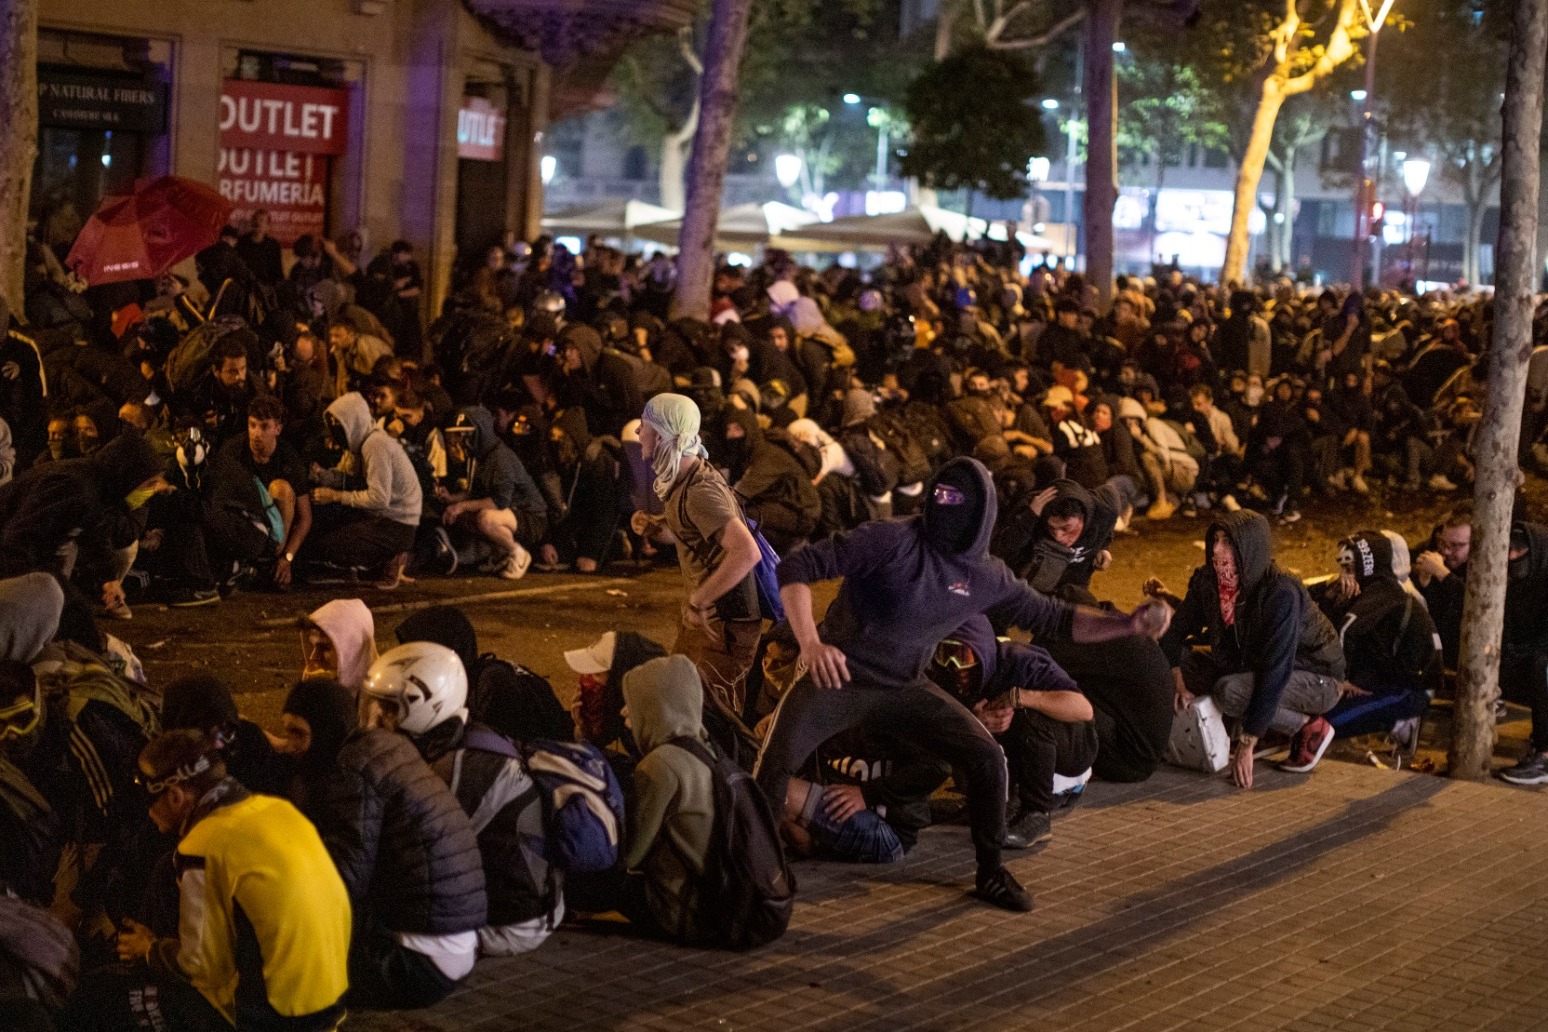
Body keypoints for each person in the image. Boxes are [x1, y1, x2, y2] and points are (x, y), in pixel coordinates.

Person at [756, 456, 1172, 912]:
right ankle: (757, 871)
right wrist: (810, 643)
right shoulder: (890, 539)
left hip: (906, 685)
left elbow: (1056, 617)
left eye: (957, 501)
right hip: (839, 677)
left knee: (987, 756)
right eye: (941, 497)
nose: (946, 508)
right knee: (773, 763)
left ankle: (990, 871)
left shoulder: (985, 574)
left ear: (982, 513)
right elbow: (796, 568)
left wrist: (1126, 623)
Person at [65, 729, 349, 1032]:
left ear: (175, 797)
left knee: (100, 996)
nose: (147, 812)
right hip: (327, 1005)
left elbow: (202, 968)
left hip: (270, 1018)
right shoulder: (277, 810)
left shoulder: (202, 849)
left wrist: (150, 948)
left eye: (149, 801)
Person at [360, 642, 563, 955]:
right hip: (522, 902)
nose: (373, 723)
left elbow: (403, 854)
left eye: (387, 710)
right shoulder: (460, 741)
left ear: (424, 705)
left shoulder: (458, 769)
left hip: (514, 922)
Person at [300, 689, 486, 1009]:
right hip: (457, 949)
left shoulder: (354, 769)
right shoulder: (392, 752)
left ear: (325, 731)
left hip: (416, 965)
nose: (286, 745)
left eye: (297, 733)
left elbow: (343, 881)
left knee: (281, 955)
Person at [1157, 510, 1346, 788]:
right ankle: (1259, 722)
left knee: (1229, 691)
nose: (1217, 550)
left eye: (1229, 543)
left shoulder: (1280, 592)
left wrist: (1247, 743)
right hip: (1251, 664)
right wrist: (1176, 677)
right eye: (1216, 540)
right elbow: (1172, 633)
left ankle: (1307, 728)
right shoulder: (1210, 583)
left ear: (1249, 548)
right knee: (1177, 664)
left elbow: (1276, 669)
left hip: (1317, 676)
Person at [630, 394, 763, 726]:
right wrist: (656, 529)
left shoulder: (700, 490)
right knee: (682, 709)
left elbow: (746, 552)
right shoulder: (684, 479)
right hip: (707, 622)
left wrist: (700, 600)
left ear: (660, 435)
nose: (637, 433)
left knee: (707, 723)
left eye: (643, 426)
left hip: (722, 625)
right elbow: (693, 534)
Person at [565, 655, 717, 942]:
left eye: (634, 702)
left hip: (681, 911)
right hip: (710, 904)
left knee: (571, 879)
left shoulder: (662, 765)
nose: (624, 712)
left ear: (657, 706)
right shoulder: (702, 749)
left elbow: (630, 855)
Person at [929, 615, 1096, 850]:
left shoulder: (1022, 662)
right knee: (960, 724)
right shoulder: (944, 676)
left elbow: (1084, 709)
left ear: (982, 650)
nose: (955, 667)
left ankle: (1036, 814)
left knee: (1027, 716)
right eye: (946, 655)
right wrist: (974, 722)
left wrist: (1023, 697)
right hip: (1019, 768)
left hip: (1067, 761)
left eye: (964, 656)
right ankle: (979, 803)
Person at [0, 429, 170, 615]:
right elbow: (20, 544)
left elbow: (96, 531)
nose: (153, 491)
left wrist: (108, 580)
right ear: (128, 475)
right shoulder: (76, 488)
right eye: (150, 484)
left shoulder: (96, 486)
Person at [1312, 532, 1439, 753]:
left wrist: (1351, 682)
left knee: (1320, 727)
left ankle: (1400, 722)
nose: (1343, 576)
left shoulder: (1392, 596)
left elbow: (1349, 636)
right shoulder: (1360, 591)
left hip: (1405, 687)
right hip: (1373, 679)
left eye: (1350, 569)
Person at [308, 392, 422, 586]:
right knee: (322, 535)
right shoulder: (361, 444)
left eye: (340, 425)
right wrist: (325, 476)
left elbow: (378, 498)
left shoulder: (375, 445)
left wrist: (335, 496)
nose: (336, 432)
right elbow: (354, 480)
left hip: (396, 523)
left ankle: (386, 560)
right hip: (382, 518)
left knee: (330, 547)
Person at [203, 395, 312, 589]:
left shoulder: (289, 459)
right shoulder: (233, 451)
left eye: (263, 427)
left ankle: (273, 560)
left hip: (274, 531)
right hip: (244, 522)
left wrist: (287, 558)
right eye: (252, 425)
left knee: (281, 489)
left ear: (277, 429)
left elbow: (305, 518)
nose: (256, 433)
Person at [439, 406, 545, 580]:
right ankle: (499, 553)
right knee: (460, 513)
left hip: (531, 517)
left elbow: (499, 502)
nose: (460, 440)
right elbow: (476, 494)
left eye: (464, 435)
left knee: (486, 518)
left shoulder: (500, 458)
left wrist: (460, 505)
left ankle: (517, 553)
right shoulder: (482, 457)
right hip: (511, 513)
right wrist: (451, 499)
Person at [1495, 521, 1548, 785]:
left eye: (1519, 551)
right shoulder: (1515, 585)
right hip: (1528, 657)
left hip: (1541, 660)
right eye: (1509, 551)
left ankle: (1545, 756)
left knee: (1543, 667)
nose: (1512, 557)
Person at [1412, 503, 1471, 668]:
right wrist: (1424, 583)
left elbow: (1473, 603)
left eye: (1456, 546)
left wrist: (1443, 574)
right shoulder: (1438, 558)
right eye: (1444, 543)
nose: (1445, 551)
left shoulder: (1485, 569)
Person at [299, 598, 379, 691]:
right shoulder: (314, 681)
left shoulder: (383, 695)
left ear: (352, 650)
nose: (313, 656)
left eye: (325, 648)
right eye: (313, 646)